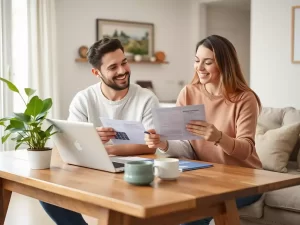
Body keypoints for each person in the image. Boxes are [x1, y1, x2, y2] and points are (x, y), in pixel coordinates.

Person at [144, 35, 262, 225]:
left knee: (194, 215)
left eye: (208, 62)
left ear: (225, 64)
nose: (199, 68)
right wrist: (163, 143)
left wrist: (218, 137)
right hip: (205, 176)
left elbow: (246, 149)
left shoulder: (244, 99)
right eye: (197, 61)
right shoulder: (189, 92)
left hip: (245, 179)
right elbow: (185, 146)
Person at [40, 37, 159, 225]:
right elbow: (70, 143)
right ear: (96, 72)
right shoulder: (84, 98)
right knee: (47, 193)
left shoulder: (146, 98)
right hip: (92, 171)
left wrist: (108, 149)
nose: (122, 71)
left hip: (132, 172)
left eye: (124, 63)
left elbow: (151, 145)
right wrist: (90, 139)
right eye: (113, 67)